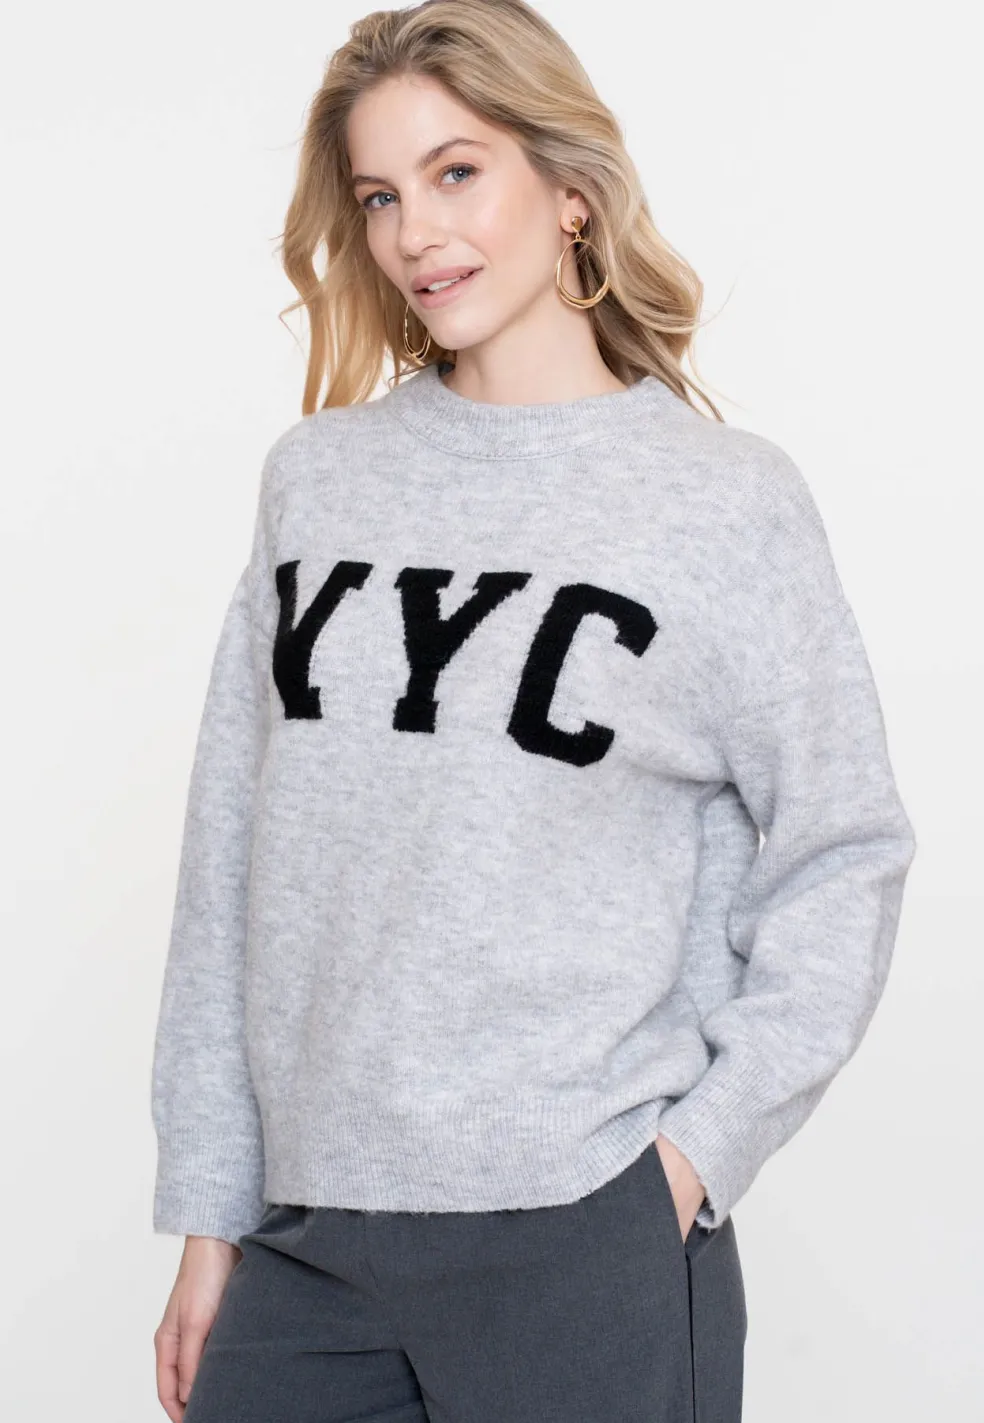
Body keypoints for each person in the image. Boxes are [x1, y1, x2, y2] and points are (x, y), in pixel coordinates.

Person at [149, 2, 917, 1420]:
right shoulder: (318, 481)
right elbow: (232, 860)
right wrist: (211, 1216)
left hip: (585, 1231)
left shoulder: (721, 503)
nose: (415, 233)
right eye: (381, 195)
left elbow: (844, 850)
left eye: (457, 172)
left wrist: (690, 1159)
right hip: (310, 1242)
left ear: (570, 191)